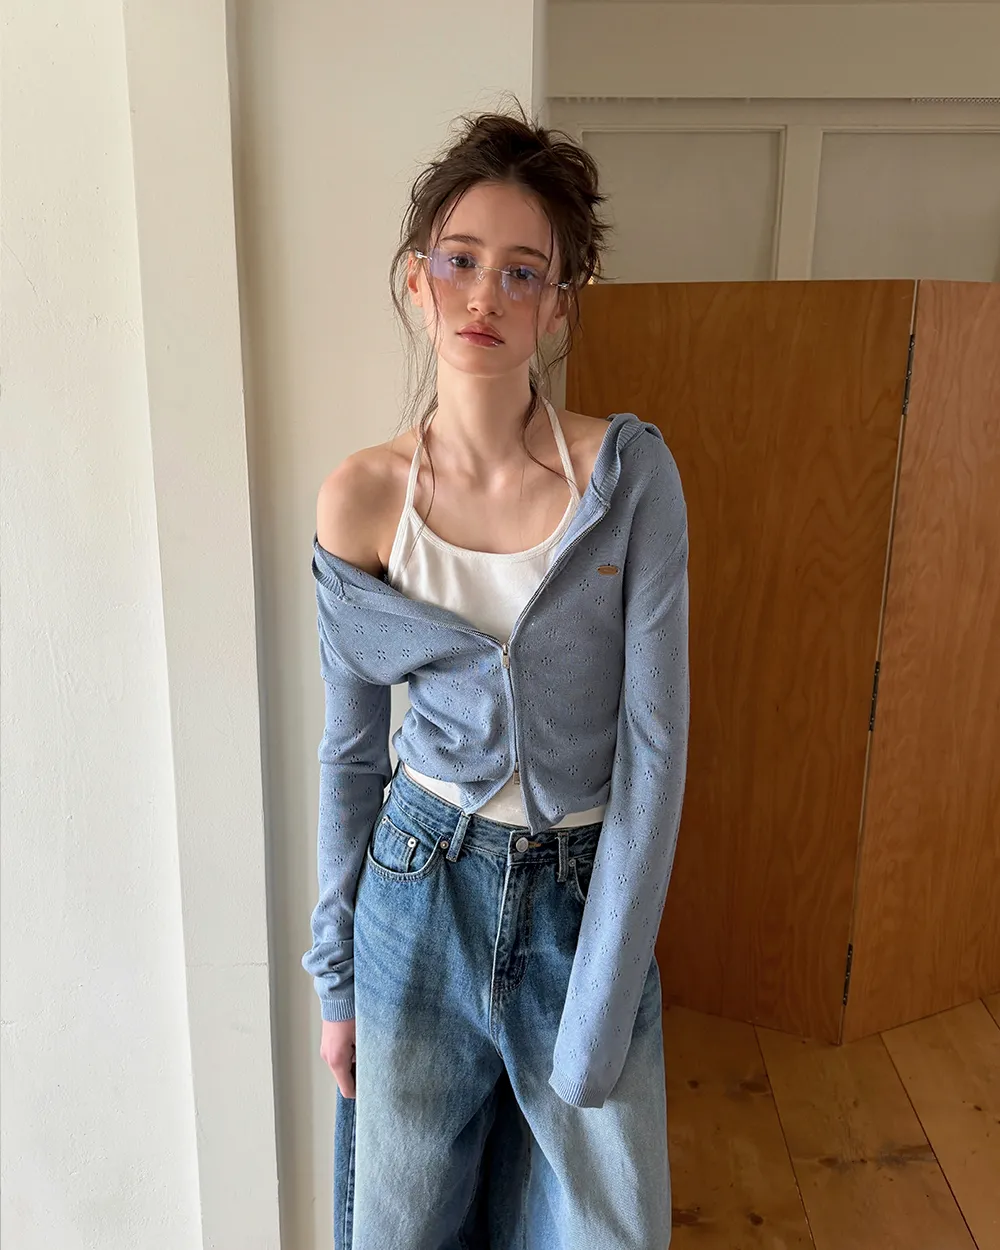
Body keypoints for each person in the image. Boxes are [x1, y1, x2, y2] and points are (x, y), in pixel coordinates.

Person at [303, 106, 690, 1250]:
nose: (486, 294)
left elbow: (655, 743)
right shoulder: (361, 497)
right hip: (418, 887)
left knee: (603, 1224)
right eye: (460, 260)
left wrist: (603, 996)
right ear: (416, 279)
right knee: (406, 1218)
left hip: (582, 891)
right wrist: (336, 980)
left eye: (523, 271)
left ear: (559, 303)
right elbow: (351, 752)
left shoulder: (628, 475)